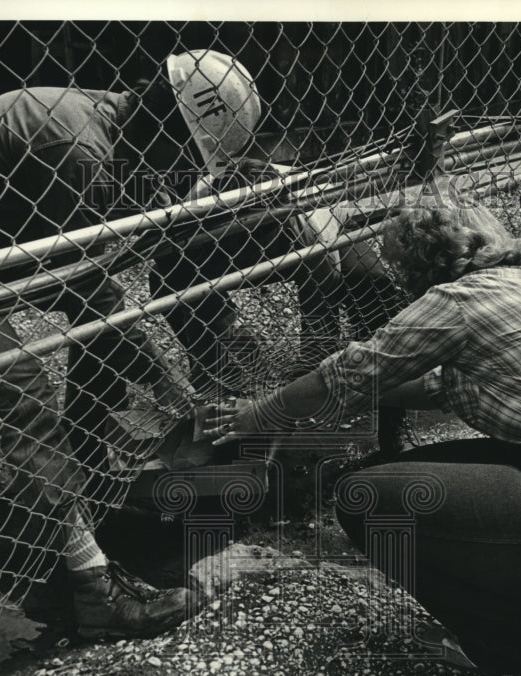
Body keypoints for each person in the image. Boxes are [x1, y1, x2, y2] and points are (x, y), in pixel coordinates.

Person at [207, 181, 521, 674]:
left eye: (399, 268)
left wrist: (262, 411)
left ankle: (511, 643)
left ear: (417, 263)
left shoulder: (458, 300)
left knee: (366, 498)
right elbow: (428, 386)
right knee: (406, 475)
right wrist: (319, 399)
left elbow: (353, 368)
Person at [0, 52, 265, 639]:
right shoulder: (81, 151)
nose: (179, 171)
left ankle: (85, 490)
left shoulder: (106, 129)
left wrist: (170, 391)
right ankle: (93, 590)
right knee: (25, 393)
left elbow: (90, 293)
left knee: (104, 343)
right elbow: (87, 287)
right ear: (168, 123)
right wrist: (173, 391)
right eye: (184, 154)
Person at [152, 50, 411, 456]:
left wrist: (308, 381)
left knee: (372, 288)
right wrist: (225, 349)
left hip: (328, 223)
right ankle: (222, 390)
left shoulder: (307, 227)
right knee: (177, 283)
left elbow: (321, 296)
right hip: (226, 232)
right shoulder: (199, 204)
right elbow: (170, 270)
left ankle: (386, 421)